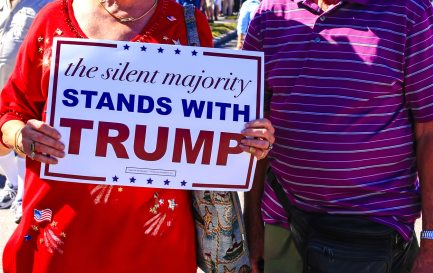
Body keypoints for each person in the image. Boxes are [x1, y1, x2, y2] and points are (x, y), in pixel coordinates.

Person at [0, 0, 274, 272]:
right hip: (58, 245)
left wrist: (246, 140)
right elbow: (9, 113)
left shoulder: (189, 25)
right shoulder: (53, 18)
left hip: (156, 252)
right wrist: (19, 136)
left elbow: (214, 123)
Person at [243, 0, 433, 273]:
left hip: (369, 234)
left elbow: (429, 131)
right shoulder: (270, 14)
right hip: (283, 222)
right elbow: (251, 126)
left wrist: (430, 243)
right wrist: (254, 231)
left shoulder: (408, 11)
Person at [0, 0, 52, 223]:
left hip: (23, 92)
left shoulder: (45, 7)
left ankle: (23, 195)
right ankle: (12, 183)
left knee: (22, 128)